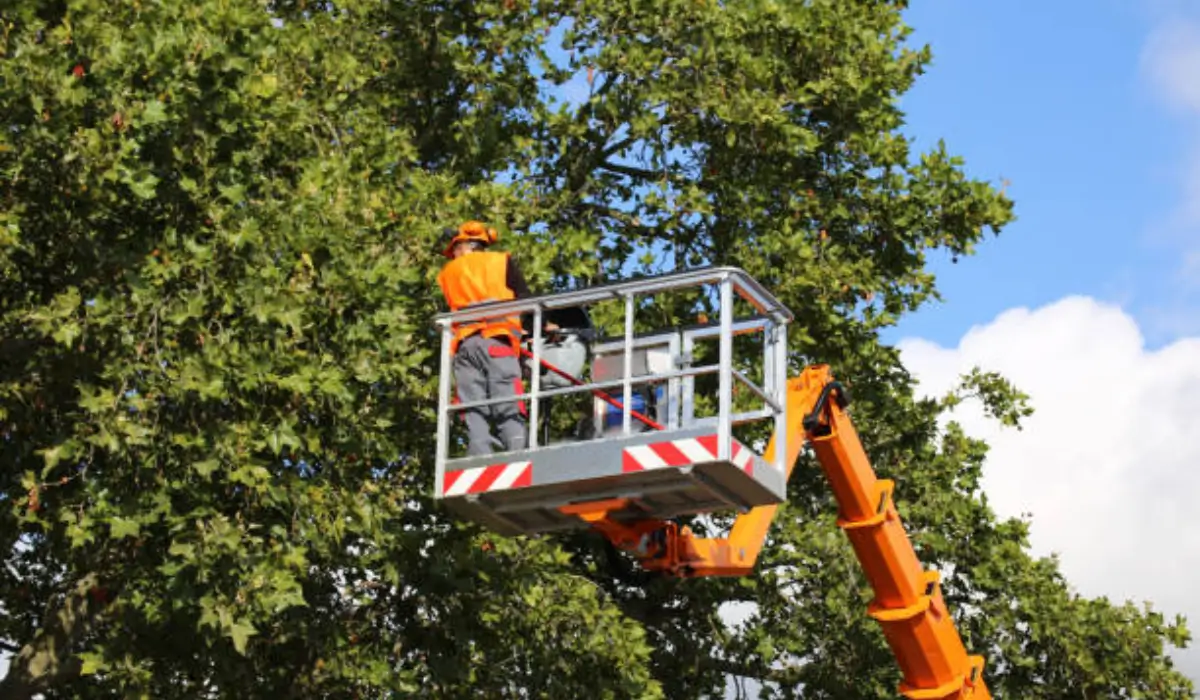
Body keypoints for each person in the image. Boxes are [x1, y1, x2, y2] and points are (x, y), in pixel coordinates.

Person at [436, 221, 550, 456]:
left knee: (471, 401)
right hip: (497, 340)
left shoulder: (448, 273)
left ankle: (479, 449)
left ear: (467, 245)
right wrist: (541, 326)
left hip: (465, 346)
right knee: (506, 394)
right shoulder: (500, 262)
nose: (454, 254)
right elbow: (524, 298)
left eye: (455, 249)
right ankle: (517, 447)